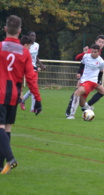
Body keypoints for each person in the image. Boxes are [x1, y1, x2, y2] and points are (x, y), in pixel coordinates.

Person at [0, 15, 42, 174]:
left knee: (0, 128)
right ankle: (1, 166)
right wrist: (38, 100)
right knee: (7, 128)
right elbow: (31, 78)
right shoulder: (24, 53)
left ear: (5, 29)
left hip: (0, 92)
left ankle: (10, 158)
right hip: (14, 94)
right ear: (19, 31)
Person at [65, 35, 104, 117]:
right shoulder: (90, 51)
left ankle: (85, 107)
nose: (101, 43)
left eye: (102, 42)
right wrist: (79, 72)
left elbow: (101, 70)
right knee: (77, 94)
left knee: (102, 91)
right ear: (96, 41)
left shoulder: (100, 58)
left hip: (92, 79)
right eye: (99, 42)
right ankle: (72, 111)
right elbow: (79, 59)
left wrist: (98, 80)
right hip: (84, 77)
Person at [20, 31, 46, 112]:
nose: (33, 37)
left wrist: (41, 65)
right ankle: (32, 107)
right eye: (32, 35)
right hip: (26, 67)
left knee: (33, 88)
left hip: (33, 68)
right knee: (33, 87)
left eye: (34, 36)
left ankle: (25, 103)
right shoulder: (25, 45)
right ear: (28, 36)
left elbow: (35, 56)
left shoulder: (37, 45)